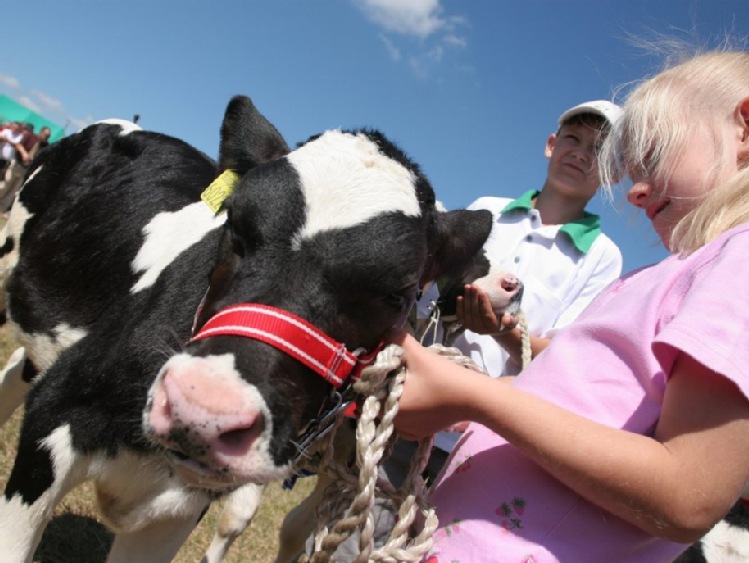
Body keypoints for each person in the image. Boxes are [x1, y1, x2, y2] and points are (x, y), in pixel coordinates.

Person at [388, 49, 749, 562]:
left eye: (655, 152)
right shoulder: (666, 276)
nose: (636, 193)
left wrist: (477, 397)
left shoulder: (737, 260)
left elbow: (688, 494)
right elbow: (582, 391)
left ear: (745, 129)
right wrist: (483, 401)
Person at [430, 99, 624, 463]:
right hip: (422, 397)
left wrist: (501, 331)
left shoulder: (602, 255)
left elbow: (565, 359)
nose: (581, 154)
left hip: (486, 440)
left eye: (599, 150)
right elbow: (434, 289)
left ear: (615, 174)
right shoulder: (487, 207)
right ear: (552, 144)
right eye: (573, 139)